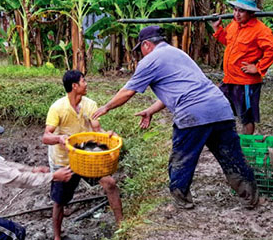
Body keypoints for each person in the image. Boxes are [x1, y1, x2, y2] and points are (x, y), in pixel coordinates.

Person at [93, 25, 259, 210]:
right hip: (220, 108)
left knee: (182, 158)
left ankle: (182, 200)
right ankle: (250, 197)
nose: (141, 52)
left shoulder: (149, 61)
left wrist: (106, 106)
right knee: (231, 156)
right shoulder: (178, 54)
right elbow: (181, 89)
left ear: (146, 44)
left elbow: (127, 92)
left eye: (140, 48)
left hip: (193, 114)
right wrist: (150, 111)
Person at [42, 70, 123, 240]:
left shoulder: (90, 105)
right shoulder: (58, 108)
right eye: (83, 81)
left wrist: (107, 135)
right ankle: (57, 237)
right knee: (59, 201)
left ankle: (121, 225)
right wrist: (59, 139)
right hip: (64, 160)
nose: (87, 84)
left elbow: (97, 129)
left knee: (110, 183)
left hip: (87, 156)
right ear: (75, 86)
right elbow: (46, 137)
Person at [211, 0, 273, 135]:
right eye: (235, 9)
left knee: (246, 117)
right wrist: (217, 29)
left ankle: (246, 148)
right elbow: (229, 42)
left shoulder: (260, 30)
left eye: (241, 11)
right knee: (218, 106)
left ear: (250, 13)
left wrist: (258, 67)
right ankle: (229, 139)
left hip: (245, 83)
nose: (237, 14)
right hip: (229, 79)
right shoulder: (234, 25)